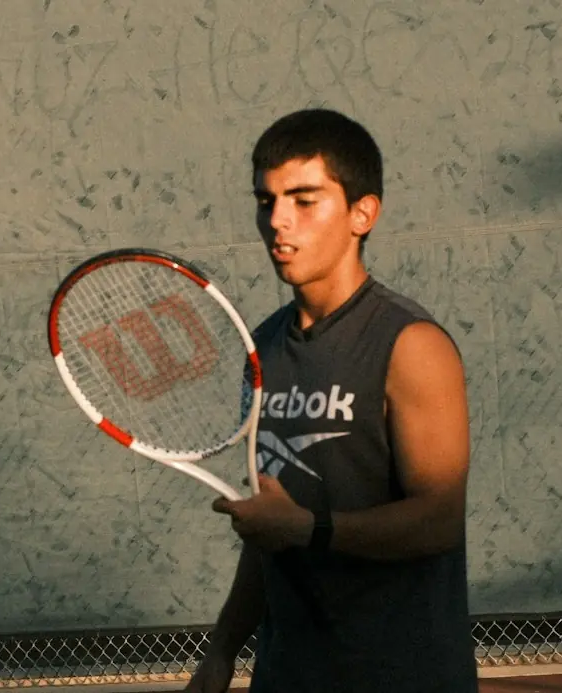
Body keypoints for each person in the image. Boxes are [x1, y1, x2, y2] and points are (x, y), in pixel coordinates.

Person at [185, 108, 478, 693]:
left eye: (304, 200)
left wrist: (306, 528)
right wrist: (221, 650)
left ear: (362, 214)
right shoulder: (263, 350)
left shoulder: (411, 345)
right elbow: (272, 532)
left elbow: (438, 521)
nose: (278, 221)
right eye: (266, 201)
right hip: (288, 675)